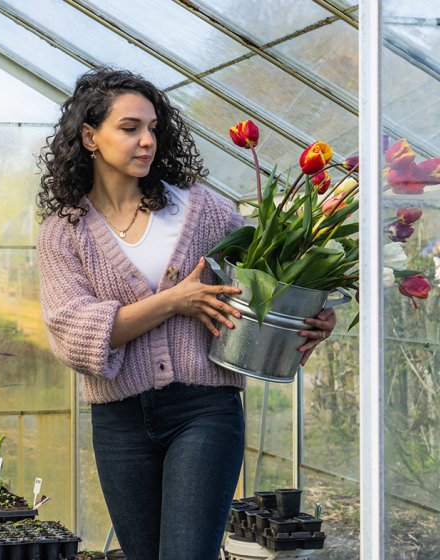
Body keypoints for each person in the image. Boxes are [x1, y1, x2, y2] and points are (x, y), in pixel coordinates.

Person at [36, 67, 336, 560]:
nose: (146, 141)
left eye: (153, 128)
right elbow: (74, 333)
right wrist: (173, 301)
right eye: (130, 128)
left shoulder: (203, 210)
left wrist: (307, 314)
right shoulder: (63, 233)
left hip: (204, 409)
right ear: (90, 136)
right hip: (119, 419)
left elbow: (263, 284)